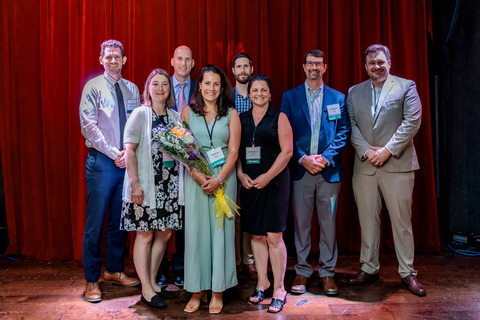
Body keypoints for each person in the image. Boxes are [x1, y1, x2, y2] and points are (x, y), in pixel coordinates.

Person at [346, 44, 425, 297]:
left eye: (380, 62)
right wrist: (368, 152)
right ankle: (369, 267)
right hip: (365, 167)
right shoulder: (354, 92)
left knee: (402, 223)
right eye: (371, 63)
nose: (376, 66)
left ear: (389, 62)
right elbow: (351, 126)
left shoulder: (406, 87)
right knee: (367, 221)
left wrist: (387, 151)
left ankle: (407, 272)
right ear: (365, 66)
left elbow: (412, 121)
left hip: (397, 166)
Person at [281, 49, 351, 296]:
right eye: (310, 63)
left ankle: (327, 272)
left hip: (328, 172)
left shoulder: (338, 98)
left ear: (325, 67)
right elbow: (285, 131)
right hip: (301, 171)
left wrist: (325, 158)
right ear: (303, 67)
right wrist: (302, 158)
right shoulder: (289, 97)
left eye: (318, 64)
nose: (313, 67)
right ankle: (302, 270)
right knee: (301, 224)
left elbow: (343, 131)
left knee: (328, 224)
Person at [80, 39, 141, 303]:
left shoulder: (133, 89)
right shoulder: (92, 87)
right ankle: (92, 280)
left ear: (124, 60)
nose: (113, 60)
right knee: (95, 224)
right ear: (101, 59)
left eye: (117, 56)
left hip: (126, 164)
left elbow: (137, 124)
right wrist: (114, 153)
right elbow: (88, 126)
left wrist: (127, 155)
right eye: (108, 57)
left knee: (120, 222)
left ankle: (114, 270)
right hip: (103, 162)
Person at [120, 69, 183, 309]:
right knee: (144, 234)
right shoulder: (140, 114)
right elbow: (130, 150)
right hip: (145, 184)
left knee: (165, 232)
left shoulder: (175, 118)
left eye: (164, 84)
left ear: (170, 89)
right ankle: (146, 289)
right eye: (155, 84)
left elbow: (181, 152)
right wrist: (135, 182)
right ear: (147, 88)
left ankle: (154, 283)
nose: (160, 88)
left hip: (169, 185)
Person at [181, 65, 241, 314]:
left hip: (223, 179)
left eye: (216, 84)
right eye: (207, 83)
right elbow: (182, 149)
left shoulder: (231, 114)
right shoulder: (187, 112)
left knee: (220, 233)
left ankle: (217, 290)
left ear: (222, 87)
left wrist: (219, 179)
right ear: (200, 85)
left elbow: (234, 151)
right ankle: (197, 289)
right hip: (195, 178)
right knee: (195, 234)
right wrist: (196, 174)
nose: (211, 88)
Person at [237, 74, 293, 313]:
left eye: (263, 90)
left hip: (275, 184)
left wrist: (268, 176)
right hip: (250, 184)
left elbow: (287, 152)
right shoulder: (240, 119)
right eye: (254, 90)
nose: (259, 94)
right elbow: (235, 151)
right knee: (256, 236)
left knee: (273, 236)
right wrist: (240, 174)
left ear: (271, 94)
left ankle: (279, 289)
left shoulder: (279, 117)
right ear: (248, 94)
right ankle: (263, 282)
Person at [157, 45, 196, 289]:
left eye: (187, 59)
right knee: (162, 219)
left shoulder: (200, 88)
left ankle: (181, 268)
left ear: (193, 64)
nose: (183, 63)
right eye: (179, 58)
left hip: (192, 162)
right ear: (172, 61)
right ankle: (159, 269)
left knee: (186, 220)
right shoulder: (161, 85)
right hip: (163, 164)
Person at [231, 52, 257, 280]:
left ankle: (249, 261)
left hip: (253, 162)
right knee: (232, 213)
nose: (242, 70)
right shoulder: (225, 96)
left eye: (245, 66)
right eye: (238, 66)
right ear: (233, 71)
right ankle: (233, 261)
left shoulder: (258, 93)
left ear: (251, 68)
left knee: (249, 213)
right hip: (228, 161)